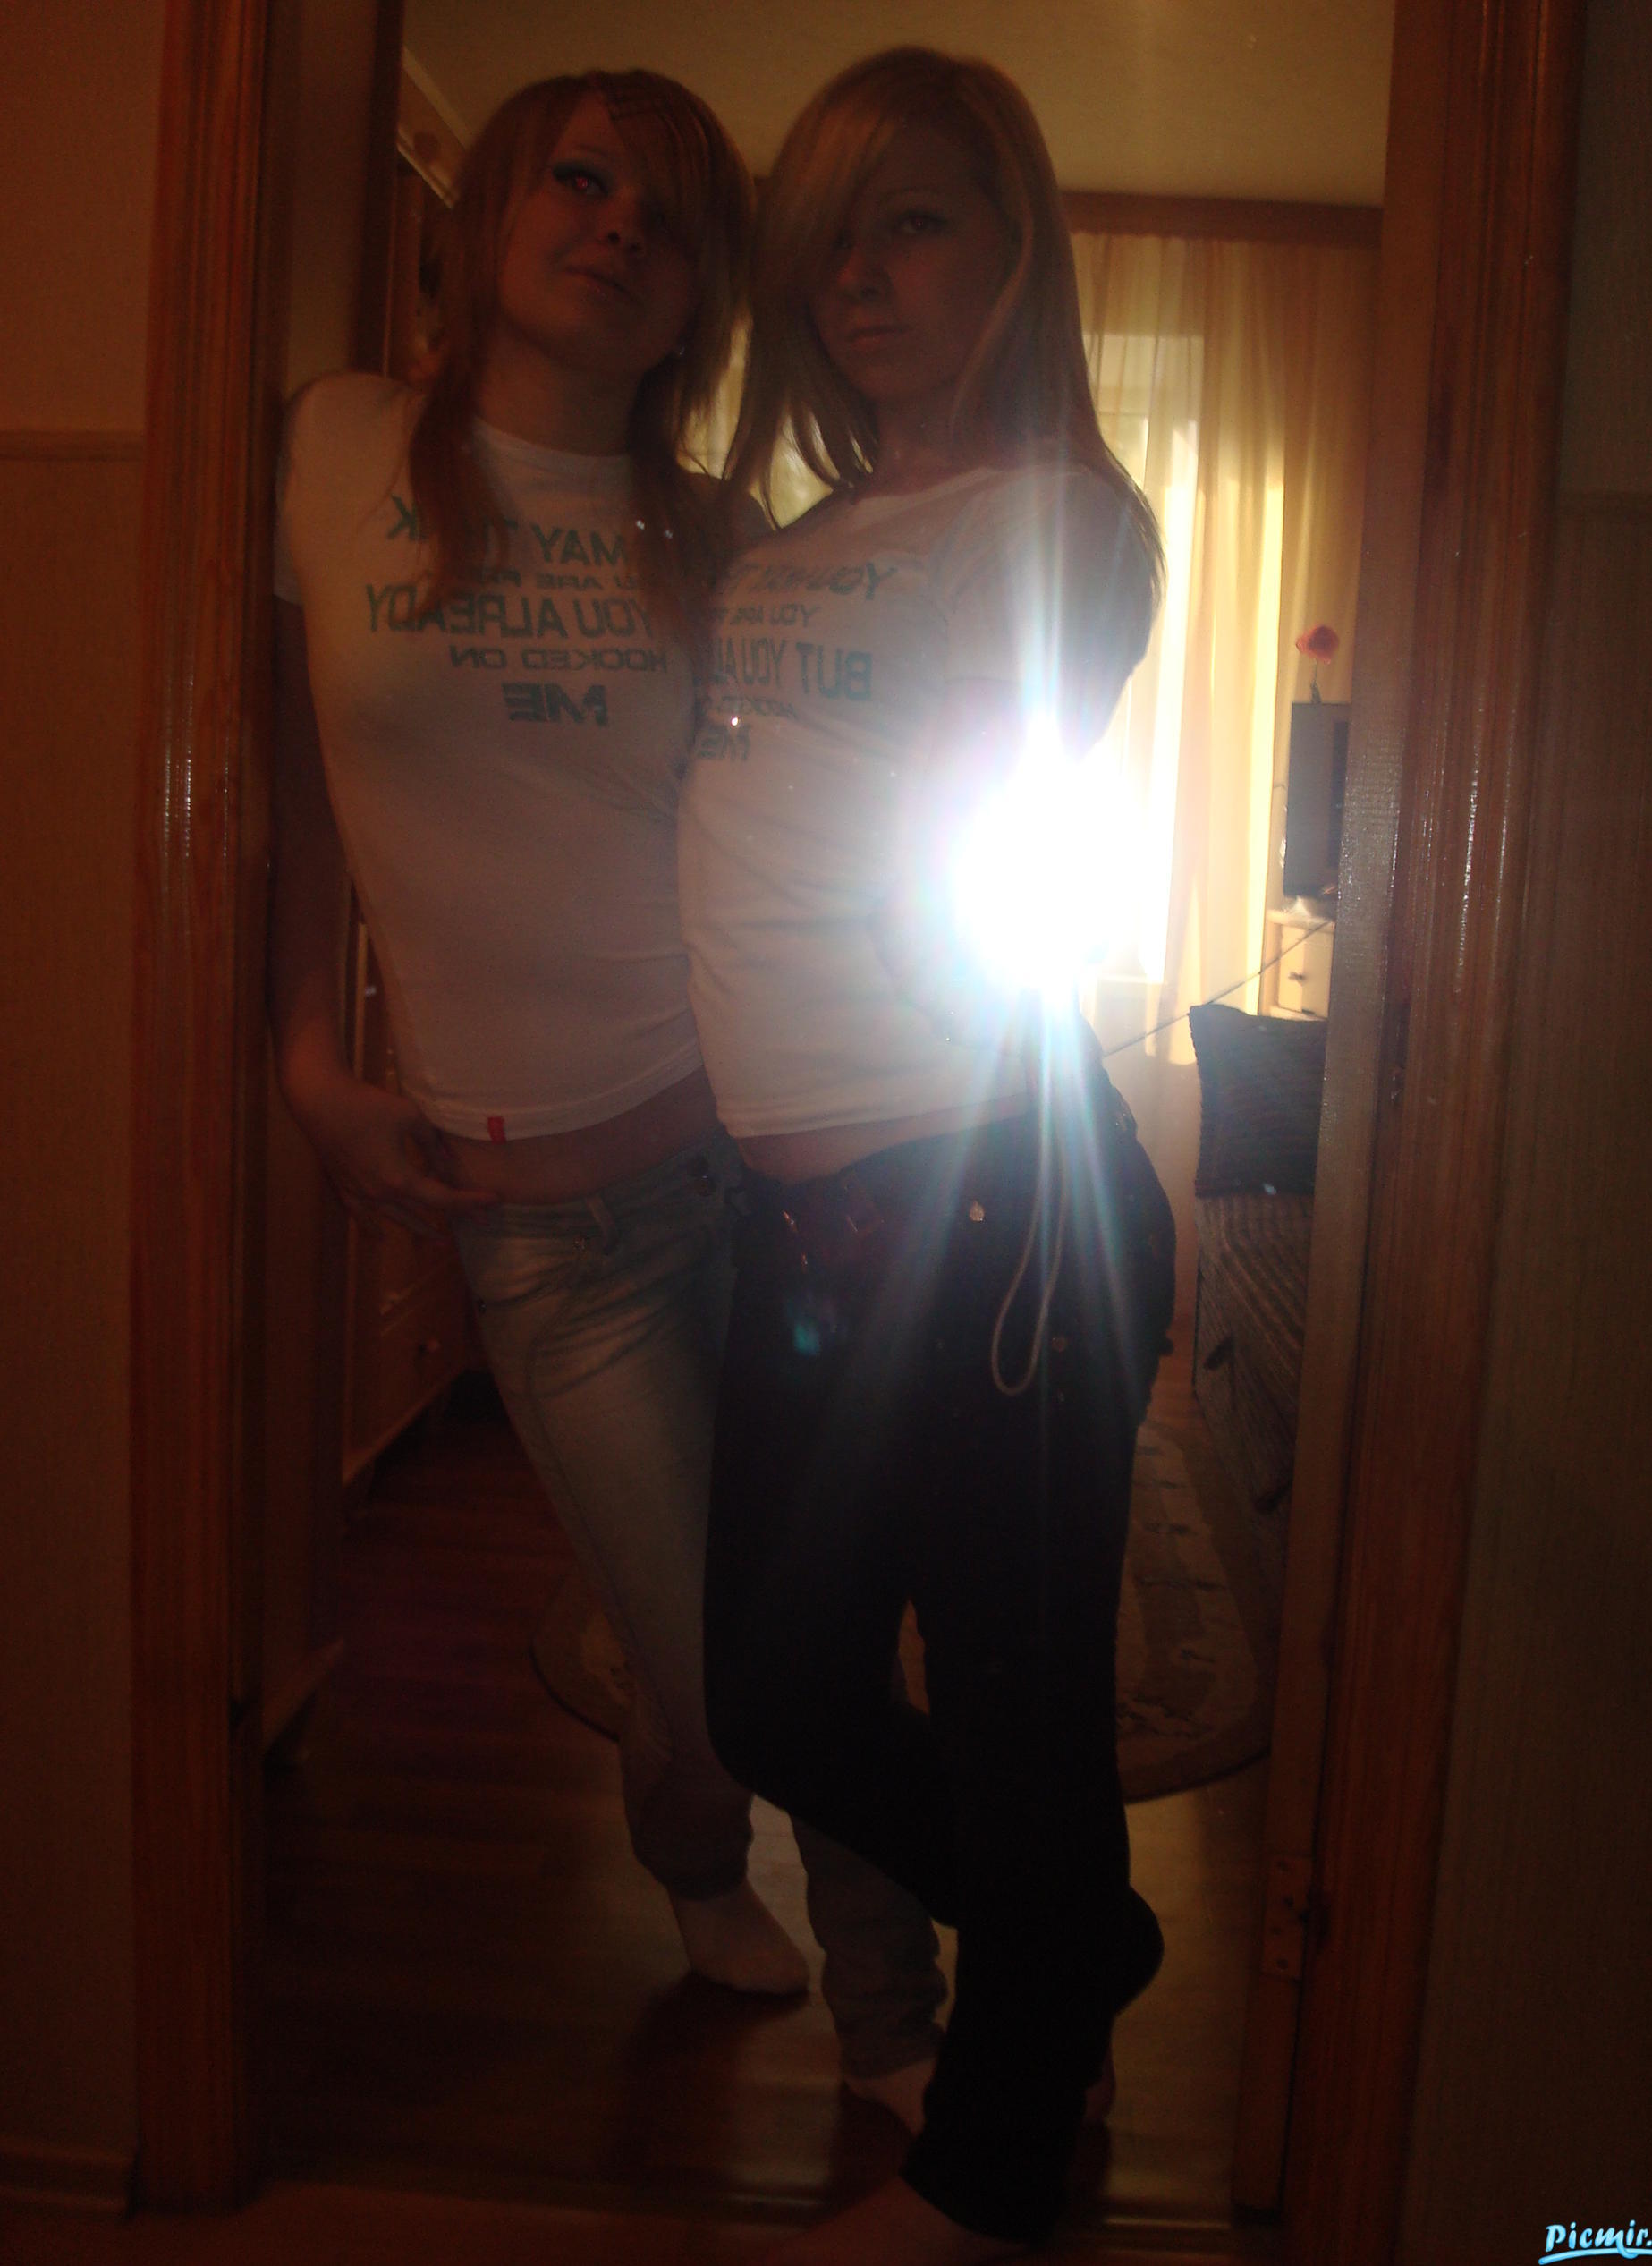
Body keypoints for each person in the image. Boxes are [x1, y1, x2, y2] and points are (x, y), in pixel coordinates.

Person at [269, 67, 947, 2100]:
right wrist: (305, 1057)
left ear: (700, 302)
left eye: (667, 219)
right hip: (548, 1232)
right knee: (725, 1668)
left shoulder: (719, 535)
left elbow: (790, 836)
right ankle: (709, 1856)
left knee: (813, 1627)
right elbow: (273, 789)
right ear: (491, 206)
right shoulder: (329, 447)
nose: (617, 229)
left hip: (764, 1163)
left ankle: (900, 2024)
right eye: (580, 180)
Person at [678, 48, 1173, 2263]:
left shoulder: (1061, 518)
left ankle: (985, 2172)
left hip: (988, 1200)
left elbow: (980, 778)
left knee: (1009, 1716)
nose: (859, 276)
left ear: (1012, 248)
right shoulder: (790, 543)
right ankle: (1071, 1948)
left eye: (913, 223)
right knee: (772, 1687)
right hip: (796, 1212)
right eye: (829, 240)